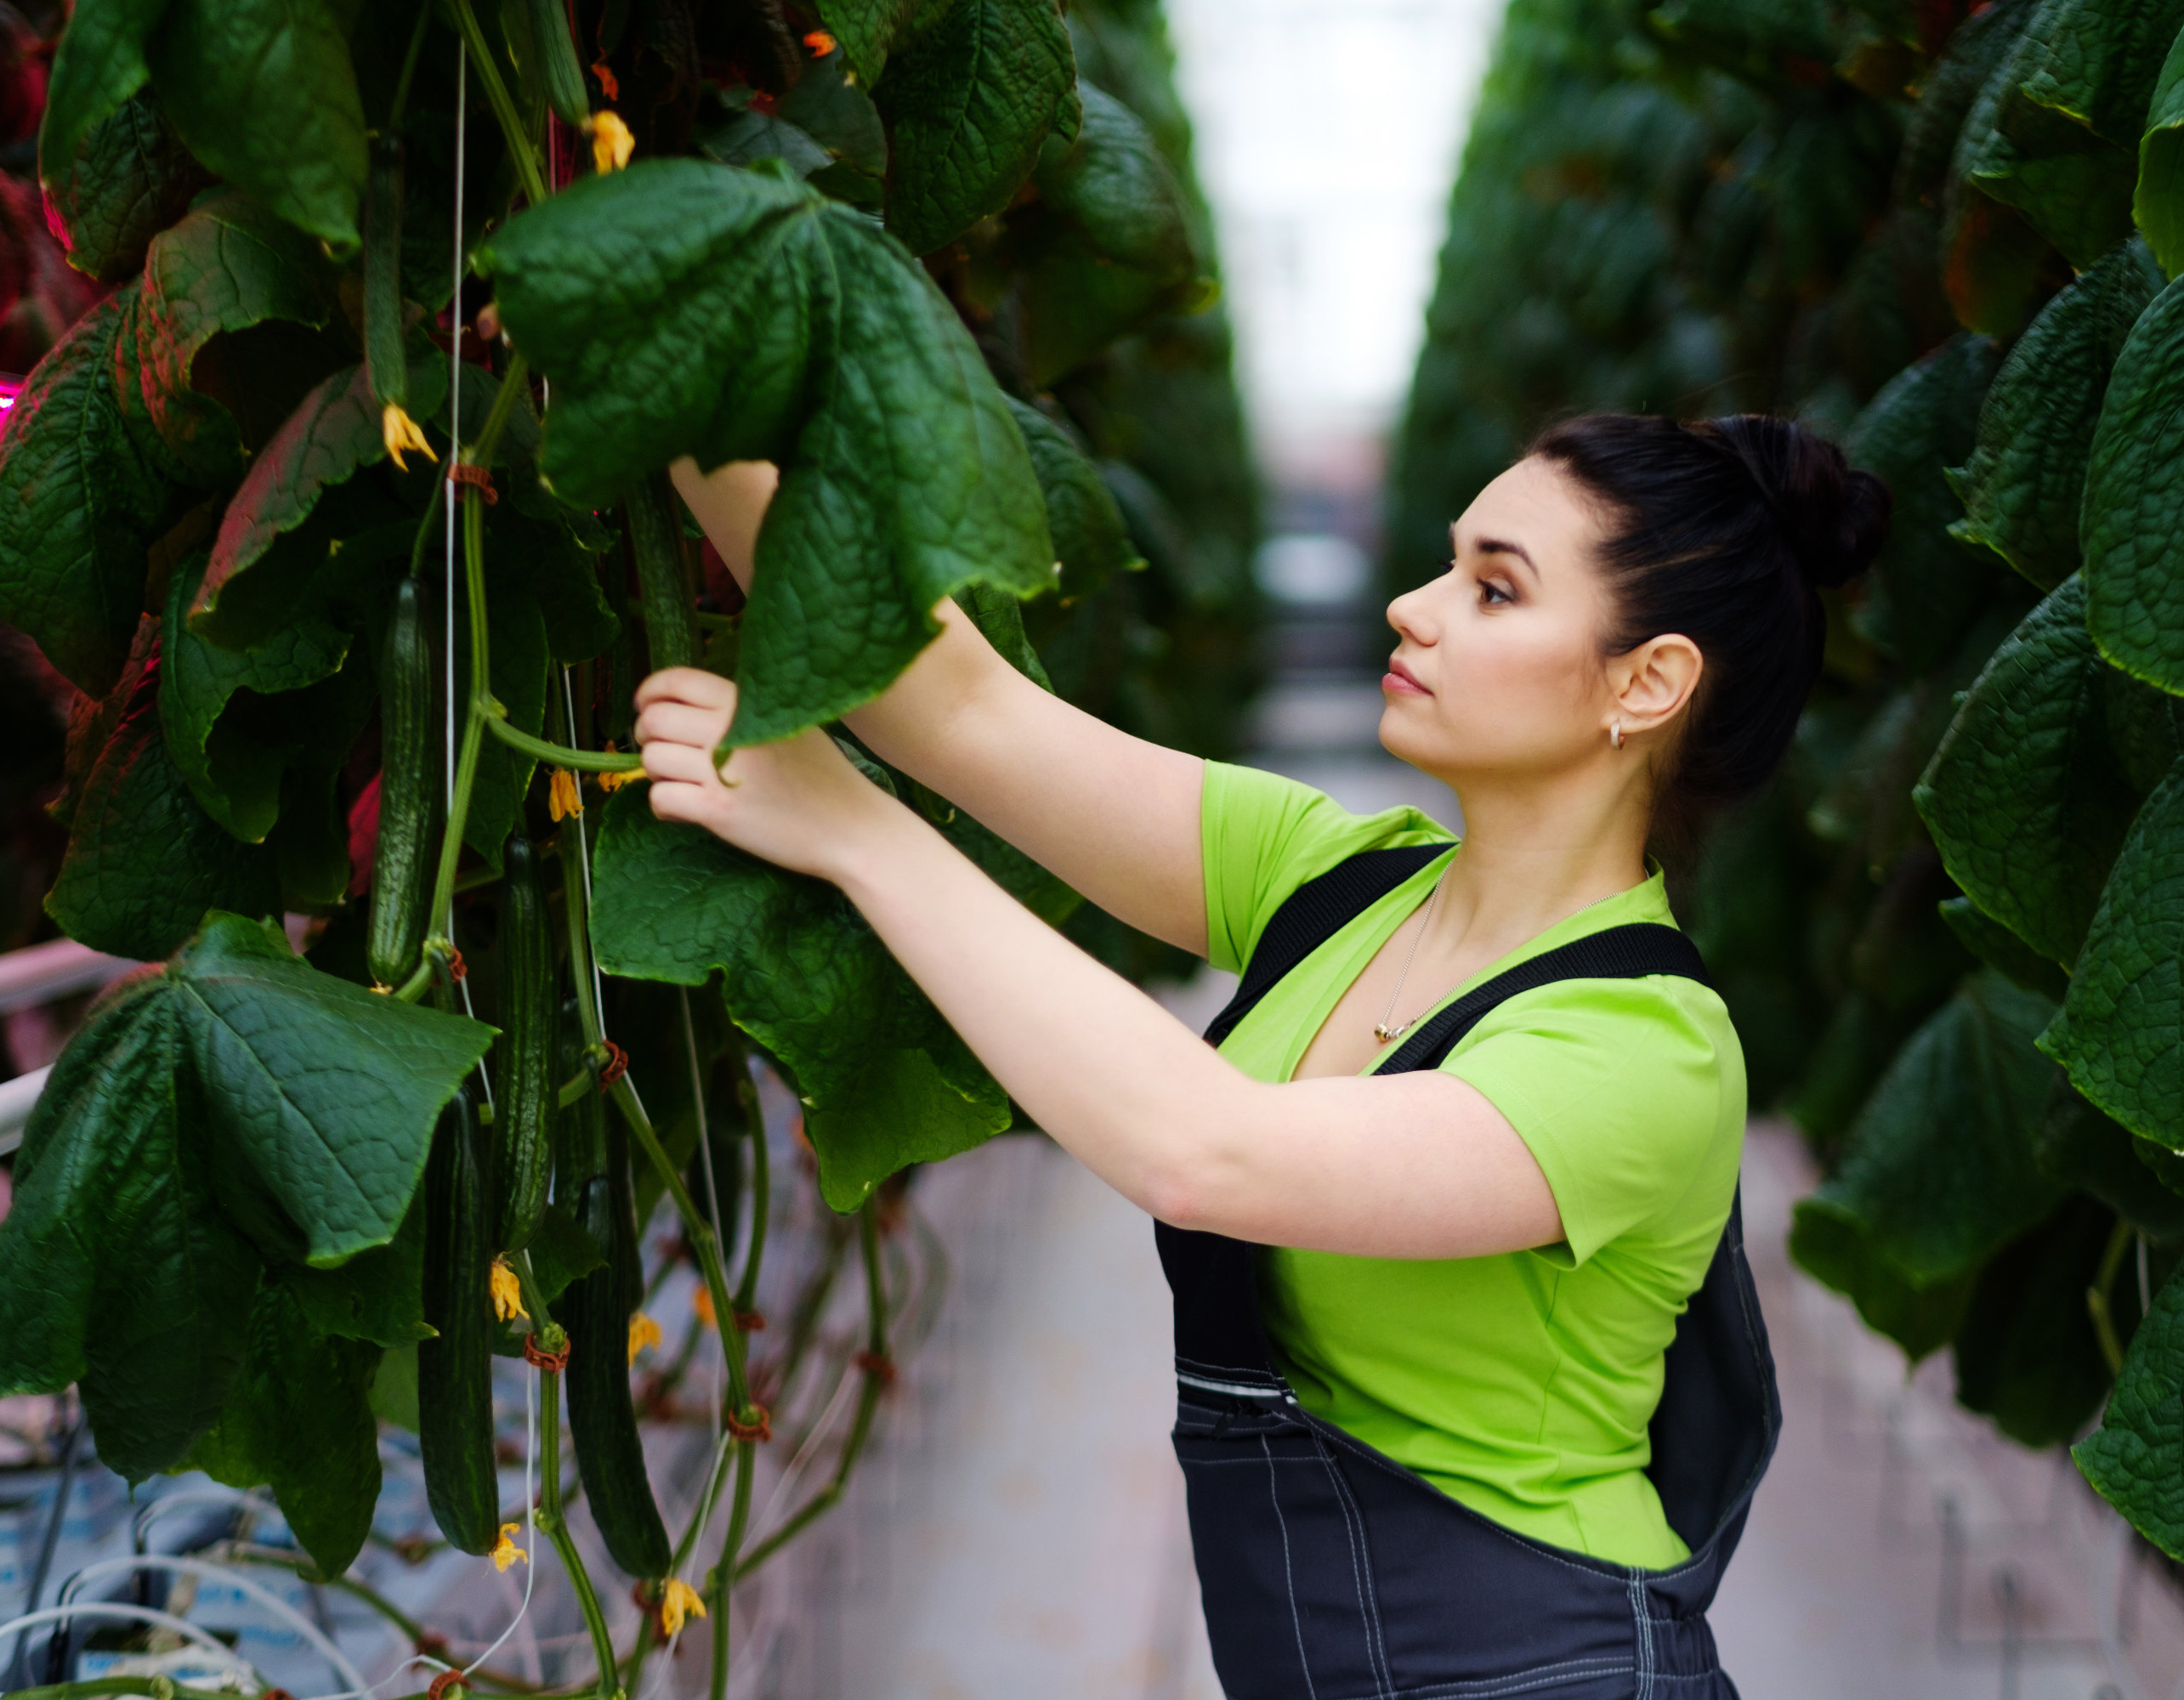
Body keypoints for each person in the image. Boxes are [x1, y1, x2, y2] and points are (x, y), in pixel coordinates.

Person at [646, 412, 1889, 1698]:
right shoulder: (1336, 883)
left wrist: (860, 835)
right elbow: (958, 708)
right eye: (1446, 564)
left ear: (1646, 682)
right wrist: (675, 380)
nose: (1413, 607)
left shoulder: (1646, 1045)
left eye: (1494, 588)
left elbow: (1206, 1153)